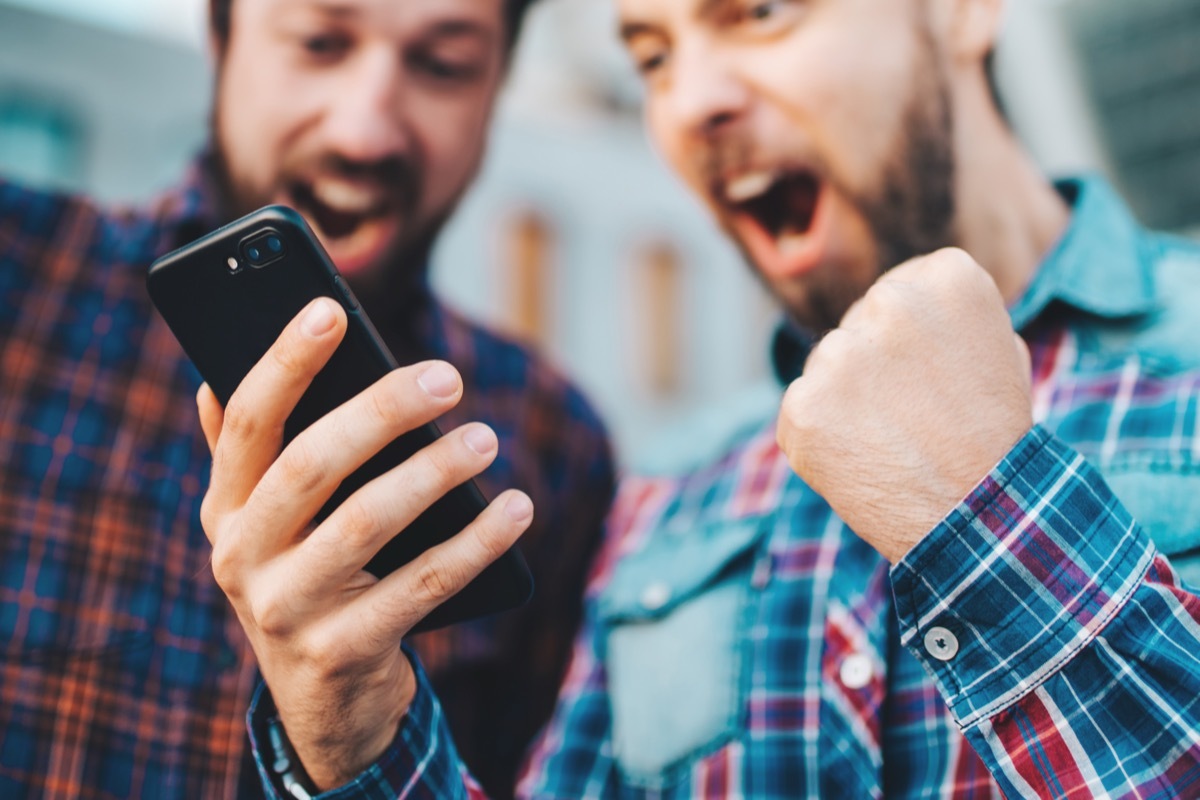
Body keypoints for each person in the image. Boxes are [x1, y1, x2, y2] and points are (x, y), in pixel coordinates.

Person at [203, 0, 1200, 796]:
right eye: (650, 53)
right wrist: (357, 736)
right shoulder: (671, 495)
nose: (692, 102)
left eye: (759, 13)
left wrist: (993, 520)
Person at [0, 0, 614, 797]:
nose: (366, 132)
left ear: (495, 91)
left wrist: (357, 724)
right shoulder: (21, 282)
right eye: (319, 42)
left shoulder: (553, 441)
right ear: (220, 36)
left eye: (444, 66)